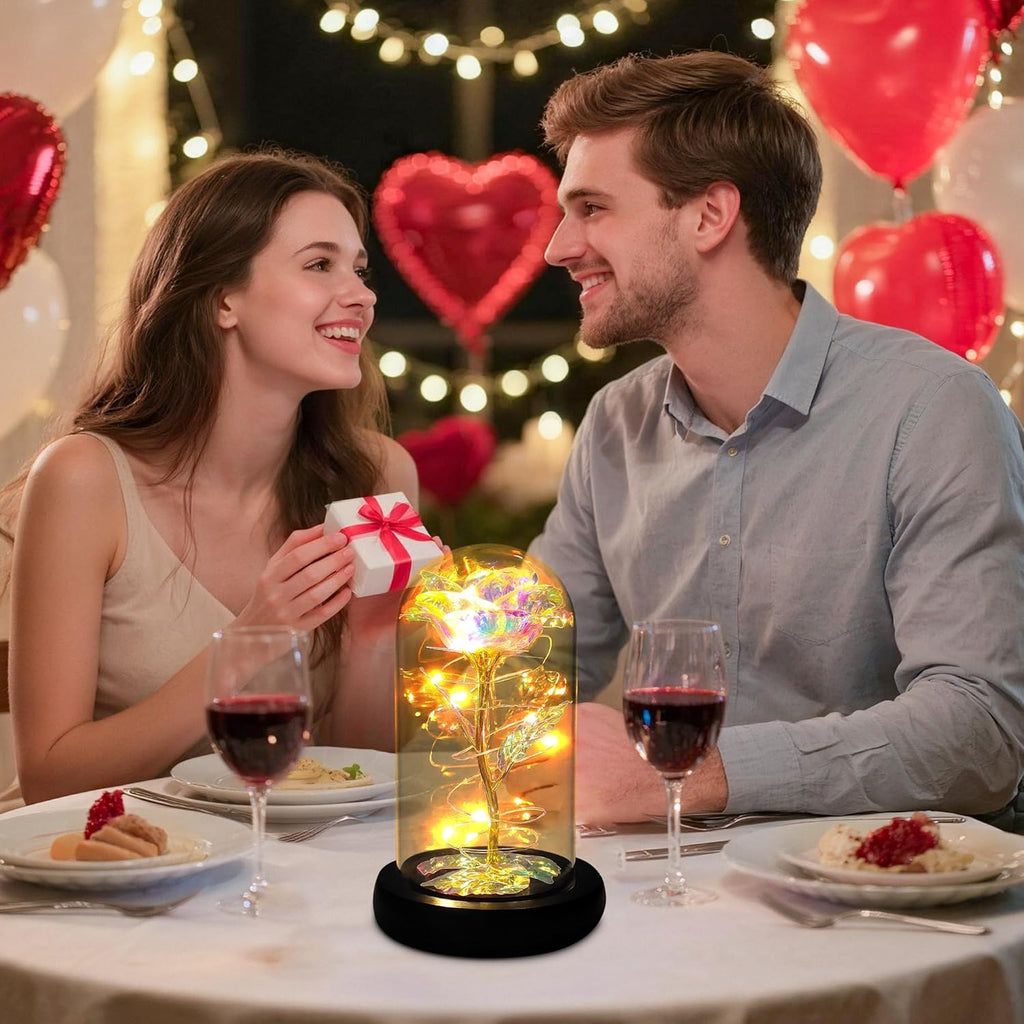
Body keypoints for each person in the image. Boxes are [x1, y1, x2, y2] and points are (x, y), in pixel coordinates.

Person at [528, 52, 1024, 827]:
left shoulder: (929, 408)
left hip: (880, 907)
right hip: (663, 891)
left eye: (592, 209)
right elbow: (533, 670)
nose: (559, 247)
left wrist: (698, 777)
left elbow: (979, 733)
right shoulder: (615, 426)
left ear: (709, 216)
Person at [0, 149, 425, 806]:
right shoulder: (85, 479)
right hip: (88, 869)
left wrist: (374, 635)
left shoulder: (375, 475)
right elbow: (49, 777)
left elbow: (350, 779)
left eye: (359, 269)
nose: (362, 295)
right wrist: (255, 638)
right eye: (319, 265)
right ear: (224, 299)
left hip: (269, 867)